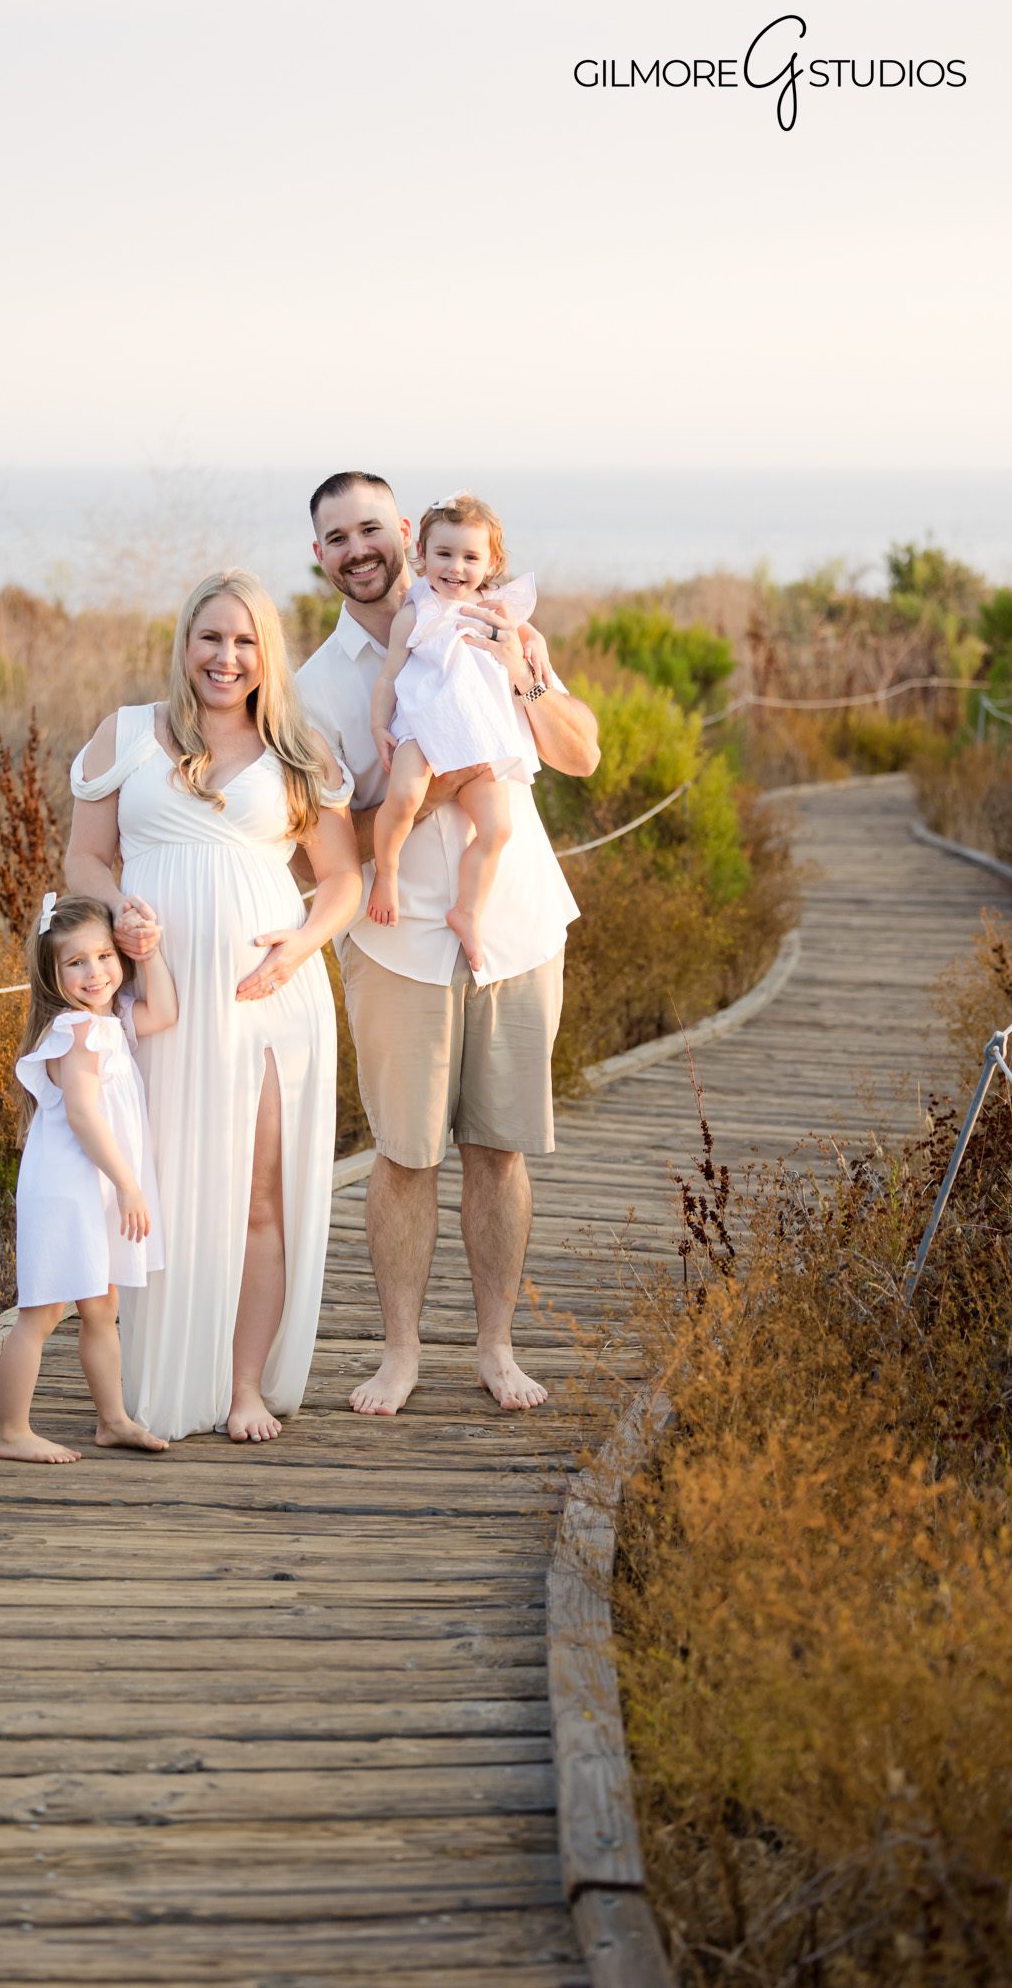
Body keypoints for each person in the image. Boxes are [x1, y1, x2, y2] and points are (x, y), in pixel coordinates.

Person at [297, 471, 601, 1418]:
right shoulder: (313, 685)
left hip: (513, 928)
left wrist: (524, 675)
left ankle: (496, 1349)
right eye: (335, 537)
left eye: (370, 528)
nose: (358, 548)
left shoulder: (500, 629)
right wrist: (425, 787)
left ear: (403, 531)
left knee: (500, 1151)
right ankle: (398, 1355)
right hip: (395, 942)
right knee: (404, 1156)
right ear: (320, 557)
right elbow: (333, 835)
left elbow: (581, 753)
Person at [65, 568, 361, 1443]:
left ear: (265, 653)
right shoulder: (126, 735)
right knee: (156, 1187)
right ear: (184, 645)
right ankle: (152, 1381)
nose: (225, 657)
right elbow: (85, 858)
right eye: (209, 638)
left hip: (267, 995)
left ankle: (241, 1387)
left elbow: (342, 879)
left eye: (243, 641)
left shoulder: (300, 749)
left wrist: (303, 944)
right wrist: (119, 910)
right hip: (158, 999)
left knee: (259, 1196)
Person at [0, 891, 178, 1465]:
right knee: (43, 1311)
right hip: (71, 1190)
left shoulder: (110, 1021)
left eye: (104, 957)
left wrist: (149, 953)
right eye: (76, 962)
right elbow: (83, 1113)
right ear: (52, 973)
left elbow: (165, 1013)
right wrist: (128, 1184)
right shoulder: (76, 1030)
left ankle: (112, 1420)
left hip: (93, 1184)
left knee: (102, 1306)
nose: (95, 972)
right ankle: (10, 1431)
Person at [368, 491, 552, 974]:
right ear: (422, 555)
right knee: (404, 799)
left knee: (498, 828)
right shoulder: (414, 613)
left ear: (491, 562)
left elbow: (527, 634)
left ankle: (467, 910)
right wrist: (377, 723)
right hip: (424, 725)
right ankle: (386, 874)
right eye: (443, 554)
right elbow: (388, 676)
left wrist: (539, 647)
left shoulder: (493, 608)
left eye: (470, 557)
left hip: (477, 735)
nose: (455, 567)